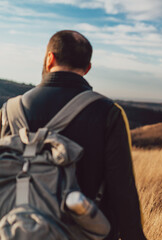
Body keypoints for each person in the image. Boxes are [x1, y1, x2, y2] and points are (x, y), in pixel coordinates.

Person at [0, 30, 147, 240]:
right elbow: (122, 192)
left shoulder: (9, 111)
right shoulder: (108, 112)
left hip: (14, 231)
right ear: (87, 68)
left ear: (49, 58)